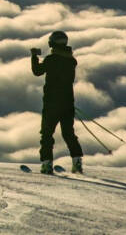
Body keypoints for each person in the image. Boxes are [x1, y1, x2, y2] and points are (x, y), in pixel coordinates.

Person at [31, 30, 83, 174]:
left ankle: (47, 164)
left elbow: (37, 71)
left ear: (52, 43)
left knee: (47, 134)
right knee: (68, 134)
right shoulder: (71, 61)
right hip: (68, 104)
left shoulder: (51, 60)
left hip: (51, 104)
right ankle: (77, 163)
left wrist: (34, 56)